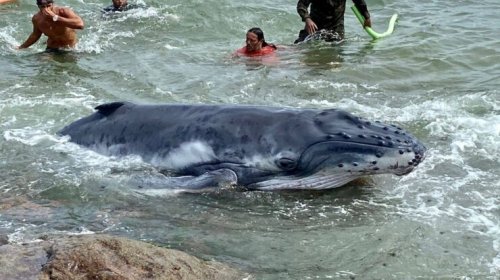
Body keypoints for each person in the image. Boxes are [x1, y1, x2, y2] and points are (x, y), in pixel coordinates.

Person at [17, 0, 84, 51]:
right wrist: (21, 47)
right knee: (42, 61)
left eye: (48, 6)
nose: (46, 9)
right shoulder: (37, 19)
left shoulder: (63, 11)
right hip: (52, 47)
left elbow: (80, 25)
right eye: (43, 7)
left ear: (52, 4)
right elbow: (35, 35)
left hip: (71, 48)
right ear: (38, 6)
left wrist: (56, 17)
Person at [294, 0, 371, 44]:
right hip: (314, 28)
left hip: (336, 30)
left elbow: (359, 1)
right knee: (298, 47)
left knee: (334, 61)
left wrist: (367, 17)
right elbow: (301, 5)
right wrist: (307, 19)